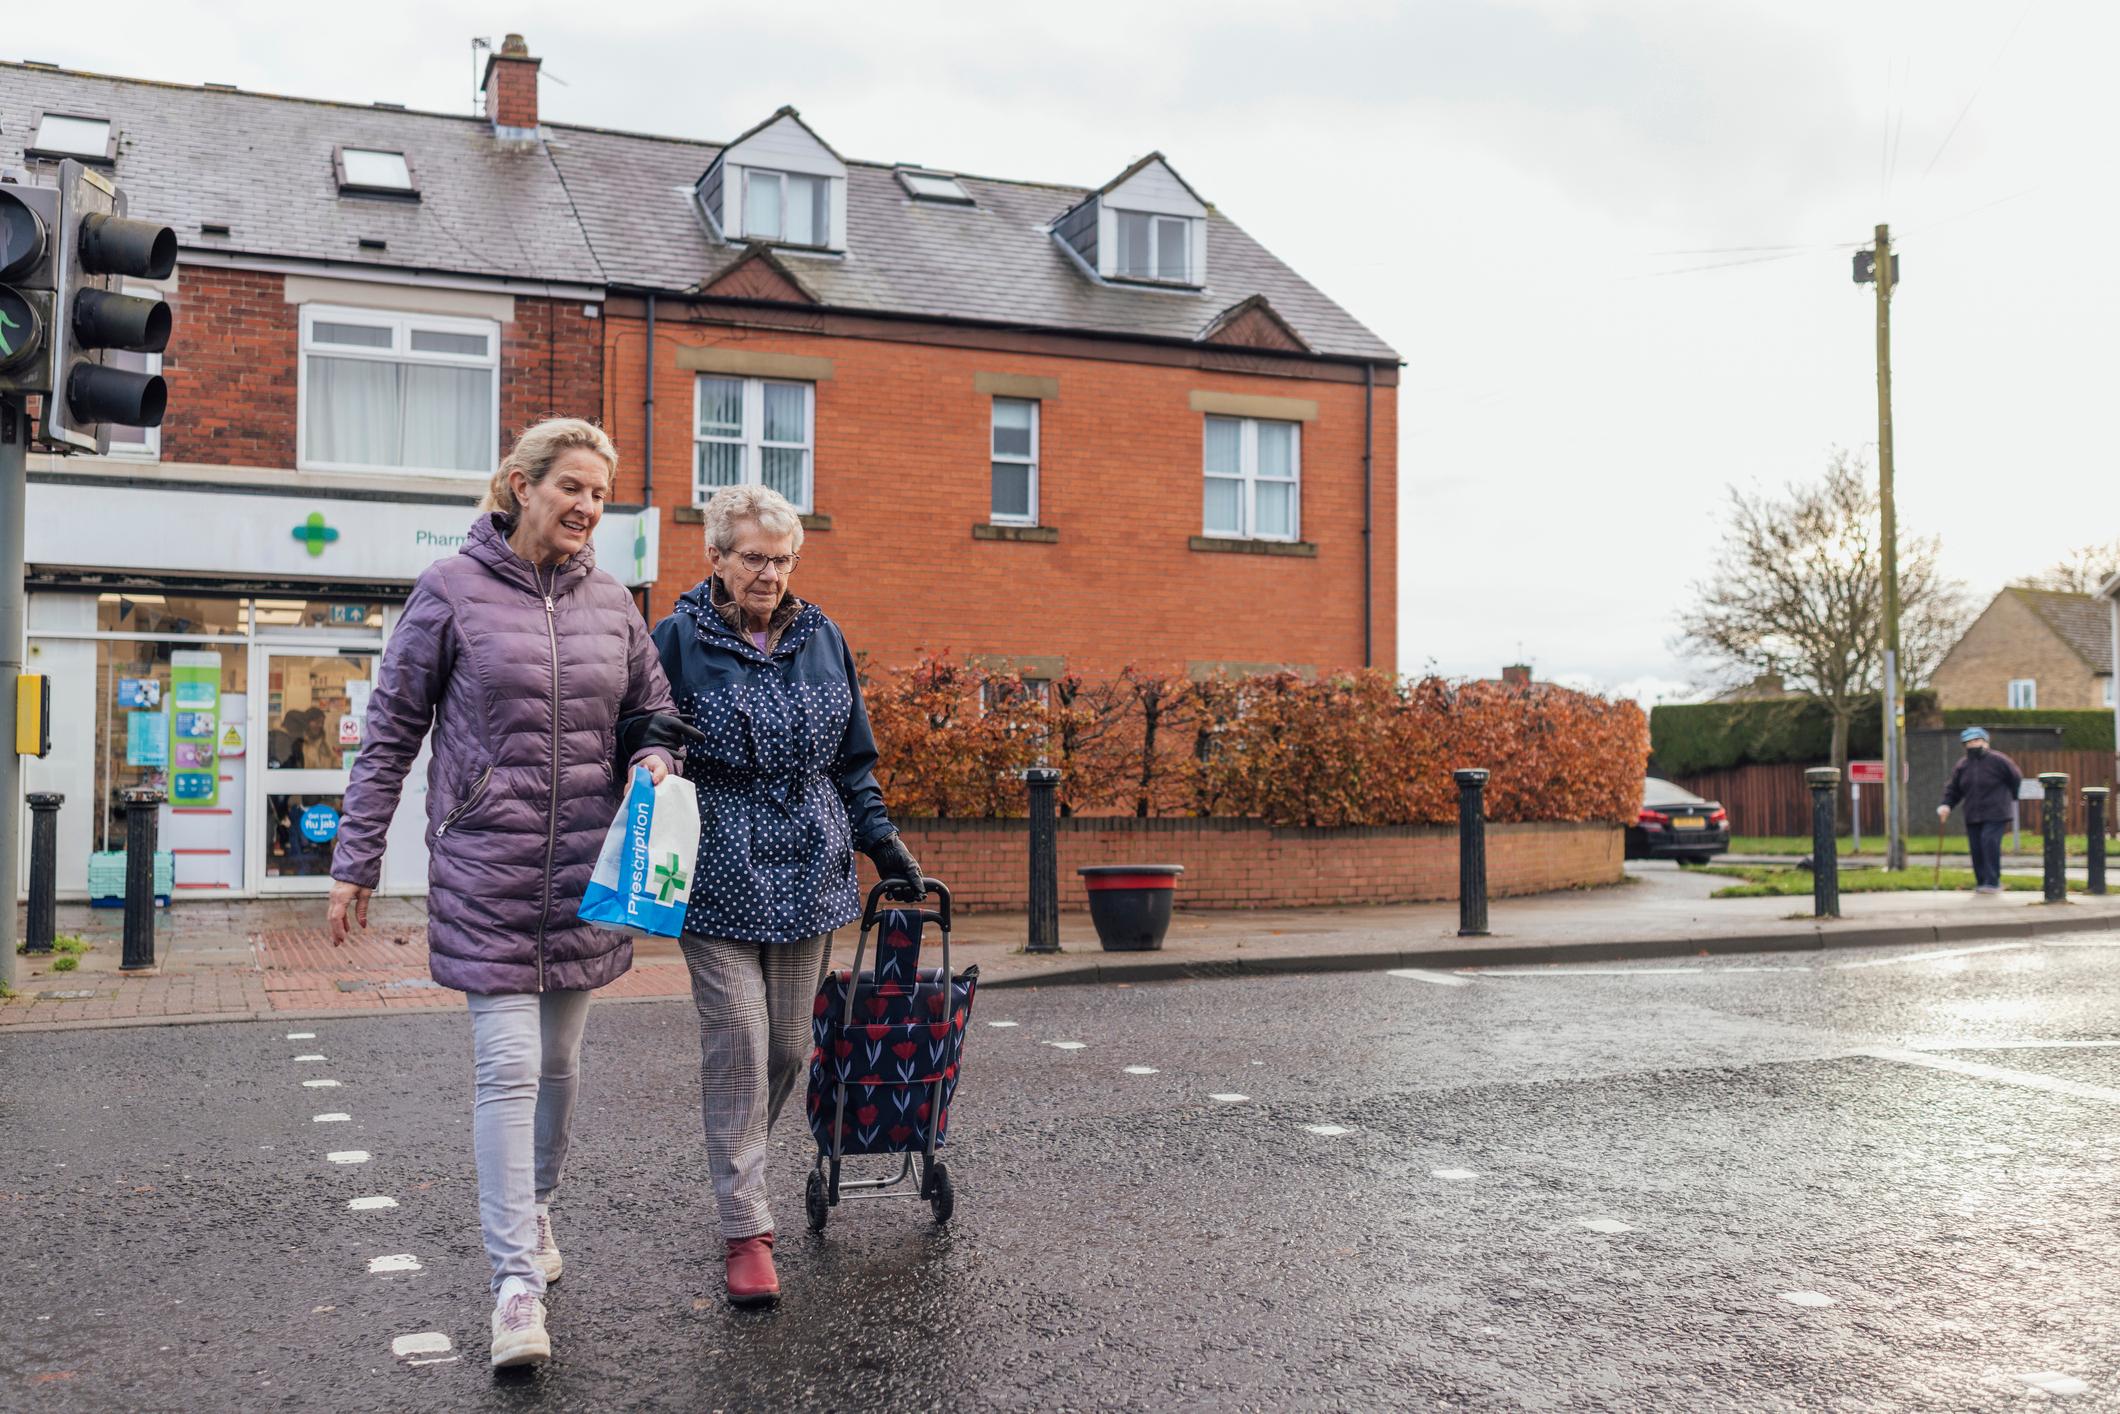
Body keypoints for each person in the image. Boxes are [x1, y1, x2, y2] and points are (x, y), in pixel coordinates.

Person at [326, 418, 682, 1369]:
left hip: (582, 878)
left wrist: (651, 754)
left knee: (561, 1070)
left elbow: (653, 709)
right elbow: (392, 730)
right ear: (519, 485)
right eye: (571, 486)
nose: (587, 507)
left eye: (600, 494)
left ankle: (538, 1207)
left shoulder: (612, 600)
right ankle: (515, 1286)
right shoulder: (448, 590)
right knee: (510, 1068)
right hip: (488, 866)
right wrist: (355, 858)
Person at [652, 483, 922, 1309]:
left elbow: (853, 763)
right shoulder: (676, 638)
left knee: (787, 1050)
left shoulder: (823, 637)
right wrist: (654, 757)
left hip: (811, 867)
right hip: (717, 866)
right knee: (738, 1037)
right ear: (716, 557)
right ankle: (746, 1228)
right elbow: (645, 727)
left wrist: (882, 843)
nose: (769, 573)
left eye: (781, 558)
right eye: (752, 558)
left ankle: (742, 1173)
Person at [1938, 726, 2022, 894]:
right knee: (1976, 847)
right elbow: (1954, 789)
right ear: (1964, 745)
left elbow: (2015, 777)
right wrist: (1946, 805)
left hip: (1996, 812)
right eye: (1969, 742)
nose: (1974, 744)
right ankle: (1982, 882)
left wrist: (2011, 796)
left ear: (1986, 742)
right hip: (1973, 814)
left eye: (1977, 740)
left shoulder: (1999, 760)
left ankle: (1992, 882)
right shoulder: (1963, 765)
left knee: (1989, 843)